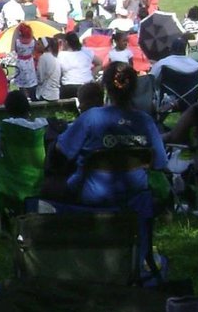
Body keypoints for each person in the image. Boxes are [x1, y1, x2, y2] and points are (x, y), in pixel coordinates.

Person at [54, 62, 168, 208]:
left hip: (93, 196)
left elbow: (61, 150)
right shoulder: (145, 121)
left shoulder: (90, 118)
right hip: (134, 197)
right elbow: (159, 162)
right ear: (134, 88)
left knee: (51, 185)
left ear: (106, 87)